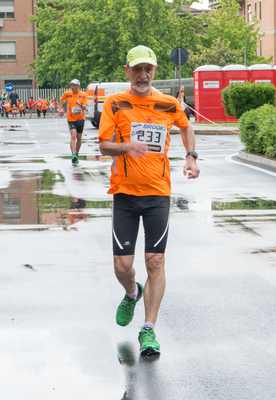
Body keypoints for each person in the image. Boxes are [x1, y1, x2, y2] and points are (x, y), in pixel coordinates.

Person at [98, 45, 200, 359]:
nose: (143, 75)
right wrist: (127, 146)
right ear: (127, 71)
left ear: (155, 71)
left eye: (149, 69)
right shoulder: (115, 104)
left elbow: (186, 126)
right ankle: (132, 292)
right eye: (137, 69)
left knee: (155, 261)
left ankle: (149, 328)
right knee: (123, 266)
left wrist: (191, 156)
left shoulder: (168, 104)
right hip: (125, 195)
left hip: (157, 193)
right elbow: (103, 145)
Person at [60, 79, 88, 165]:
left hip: (80, 119)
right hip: (71, 119)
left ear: (78, 86)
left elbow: (85, 108)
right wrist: (61, 109)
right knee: (73, 136)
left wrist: (80, 105)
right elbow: (61, 101)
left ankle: (76, 154)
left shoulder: (83, 95)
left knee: (79, 138)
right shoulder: (67, 94)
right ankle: (73, 155)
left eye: (74, 85)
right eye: (71, 85)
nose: (72, 87)